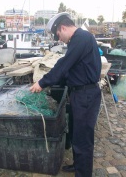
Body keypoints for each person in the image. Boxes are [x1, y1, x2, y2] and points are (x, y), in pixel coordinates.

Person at [30, 12, 102, 177]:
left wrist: (42, 83)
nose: (59, 39)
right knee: (76, 134)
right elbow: (70, 69)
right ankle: (78, 165)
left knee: (83, 139)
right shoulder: (78, 40)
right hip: (80, 95)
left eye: (58, 35)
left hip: (86, 96)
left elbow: (64, 65)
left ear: (63, 27)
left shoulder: (81, 38)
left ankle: (83, 174)